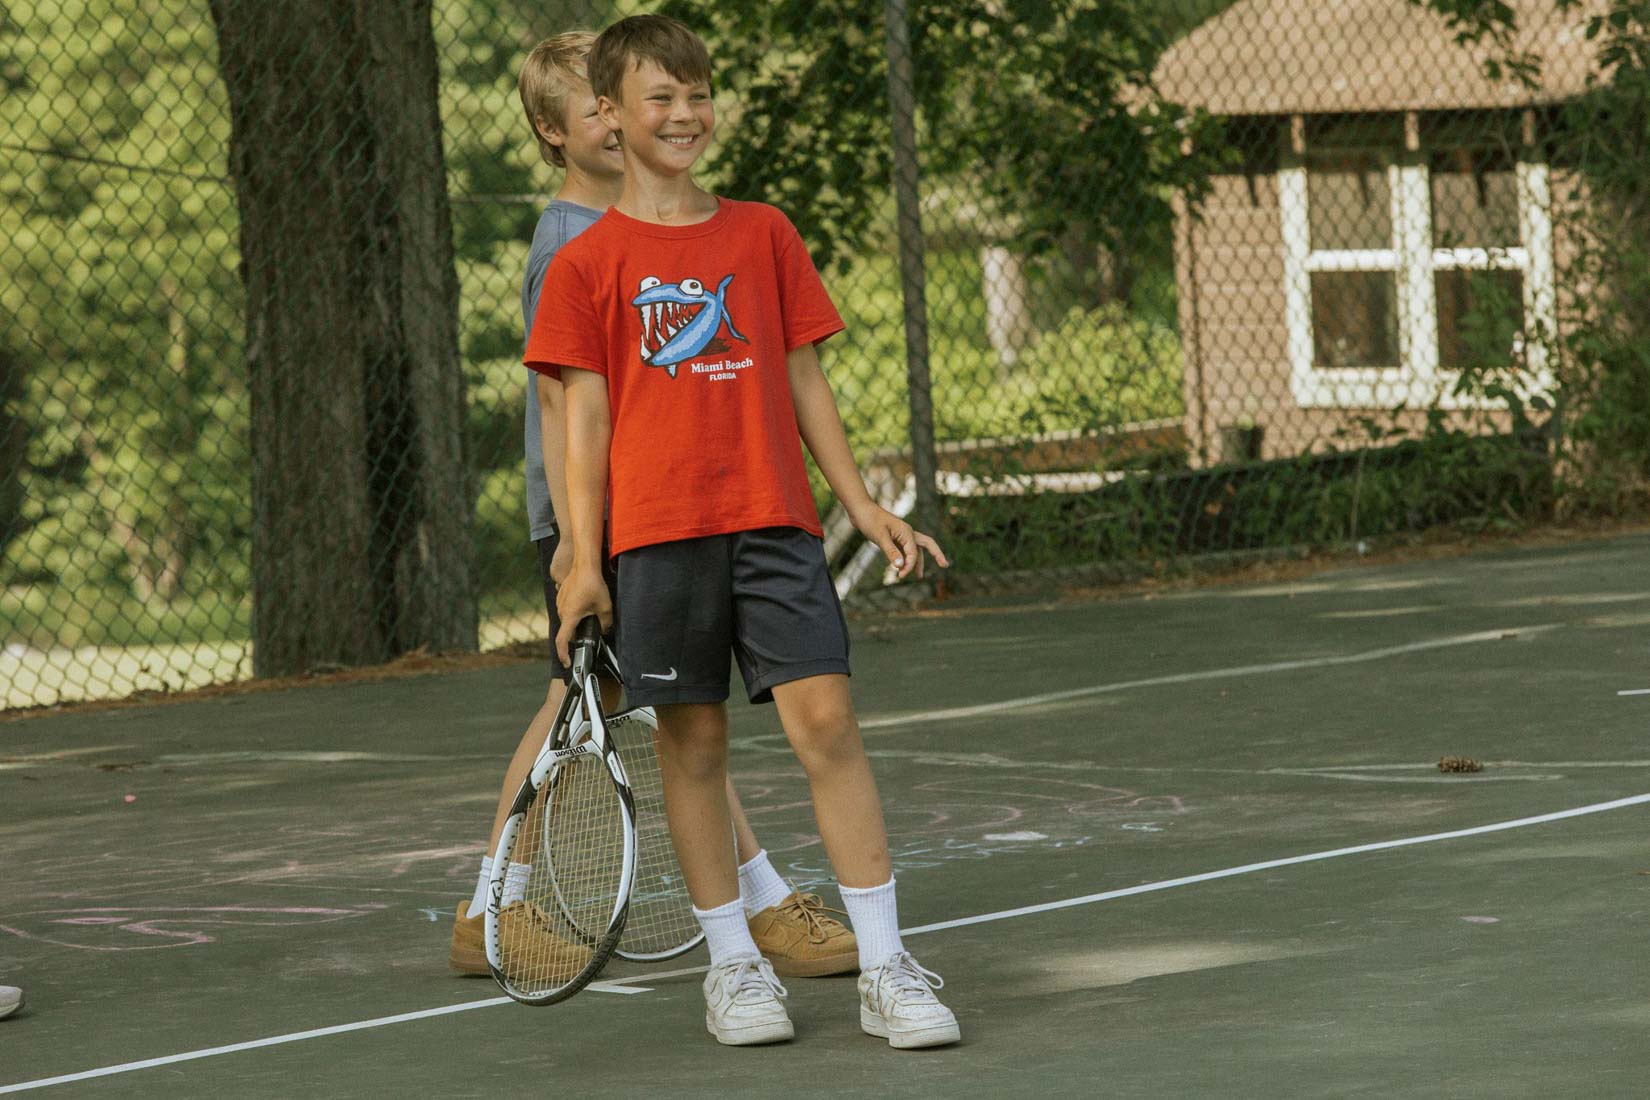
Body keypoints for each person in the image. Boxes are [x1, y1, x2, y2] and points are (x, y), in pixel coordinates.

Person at [533, 15, 960, 1049]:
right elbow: (578, 422)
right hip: (658, 536)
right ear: (611, 115)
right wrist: (585, 562)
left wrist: (858, 504)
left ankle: (887, 964)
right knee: (696, 741)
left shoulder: (763, 232)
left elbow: (802, 373)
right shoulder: (587, 264)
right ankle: (734, 967)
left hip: (772, 521)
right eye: (659, 99)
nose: (684, 115)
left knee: (828, 724)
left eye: (698, 94)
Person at [447, 32, 855, 981]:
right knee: (594, 701)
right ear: (558, 130)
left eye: (612, 99)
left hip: (661, 507)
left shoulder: (658, 222)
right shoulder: (571, 243)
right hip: (604, 516)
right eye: (592, 106)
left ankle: (756, 897)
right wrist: (570, 545)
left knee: (676, 709)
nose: (611, 116)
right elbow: (564, 404)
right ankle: (489, 908)